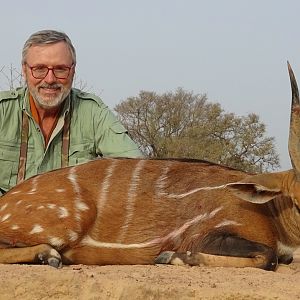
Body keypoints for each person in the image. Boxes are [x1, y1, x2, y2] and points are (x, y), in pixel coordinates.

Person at [0, 29, 143, 195]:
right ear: (24, 70)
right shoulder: (3, 110)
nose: (50, 79)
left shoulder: (93, 111)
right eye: (39, 69)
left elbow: (138, 171)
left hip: (72, 219)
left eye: (60, 69)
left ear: (73, 70)